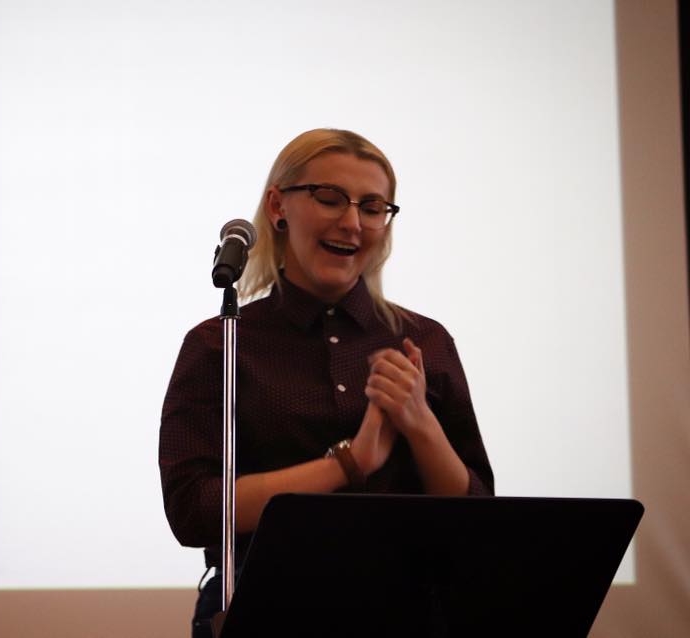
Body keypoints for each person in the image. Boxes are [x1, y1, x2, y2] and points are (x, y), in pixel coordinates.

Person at [158, 128, 494, 637]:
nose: (352, 222)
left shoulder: (425, 340)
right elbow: (194, 511)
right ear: (278, 206)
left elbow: (478, 518)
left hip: (411, 613)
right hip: (267, 610)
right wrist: (350, 462)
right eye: (330, 198)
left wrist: (419, 422)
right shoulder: (219, 344)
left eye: (373, 206)